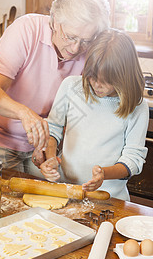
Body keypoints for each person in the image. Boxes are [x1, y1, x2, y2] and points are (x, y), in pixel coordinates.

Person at [0, 0, 110, 172]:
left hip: (44, 144)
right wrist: (25, 114)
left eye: (85, 41)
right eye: (70, 37)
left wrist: (50, 143)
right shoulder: (25, 30)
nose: (75, 48)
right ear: (55, 21)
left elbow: (75, 111)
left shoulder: (91, 52)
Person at [34, 29, 149, 201]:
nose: (96, 85)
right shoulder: (71, 87)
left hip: (109, 198)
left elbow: (133, 159)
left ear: (123, 76)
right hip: (66, 191)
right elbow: (54, 128)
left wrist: (103, 174)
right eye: (92, 77)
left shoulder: (137, 107)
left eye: (105, 81)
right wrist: (50, 158)